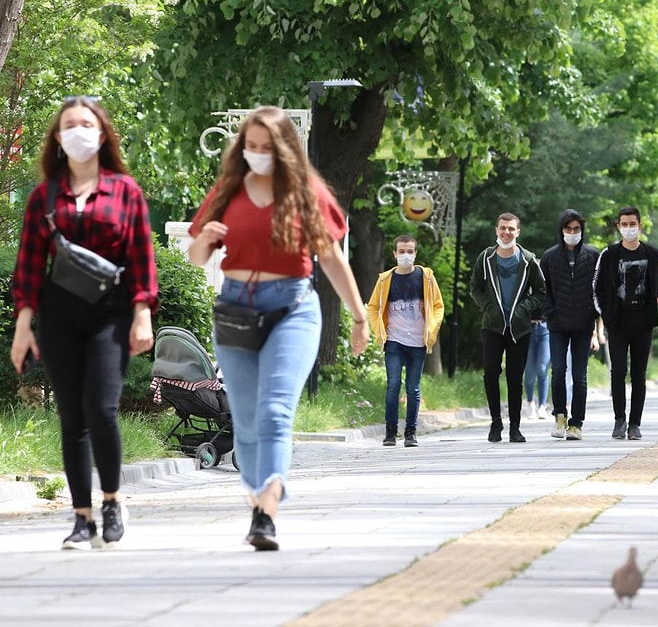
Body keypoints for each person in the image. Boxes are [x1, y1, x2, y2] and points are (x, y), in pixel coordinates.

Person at [188, 106, 368, 551]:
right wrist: (205, 240)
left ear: (286, 149)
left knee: (274, 413)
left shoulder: (306, 193)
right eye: (251, 147)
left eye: (267, 148)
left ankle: (265, 510)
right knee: (245, 421)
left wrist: (360, 317)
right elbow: (195, 256)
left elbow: (330, 259)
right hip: (235, 310)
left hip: (293, 310)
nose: (258, 154)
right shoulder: (228, 190)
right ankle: (258, 495)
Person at [10, 97, 158, 549]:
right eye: (69, 125)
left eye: (86, 124)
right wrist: (23, 327)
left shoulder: (125, 190)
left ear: (102, 133)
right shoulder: (45, 196)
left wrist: (142, 314)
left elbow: (140, 258)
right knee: (71, 416)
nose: (78, 132)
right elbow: (30, 267)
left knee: (101, 407)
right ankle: (81, 517)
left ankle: (112, 501)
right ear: (58, 138)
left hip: (111, 313)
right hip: (60, 314)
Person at [470, 212, 546, 443]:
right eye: (503, 228)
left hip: (520, 328)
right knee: (491, 372)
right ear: (496, 230)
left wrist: (523, 310)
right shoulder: (485, 258)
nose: (506, 232)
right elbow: (475, 288)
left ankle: (515, 427)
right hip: (492, 326)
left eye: (511, 228)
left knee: (515, 377)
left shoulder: (528, 260)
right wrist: (488, 307)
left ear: (518, 232)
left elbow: (541, 292)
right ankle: (496, 423)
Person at [594, 206, 658, 441]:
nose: (628, 229)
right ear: (619, 227)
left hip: (643, 323)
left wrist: (655, 301)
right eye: (624, 224)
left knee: (639, 374)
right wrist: (605, 314)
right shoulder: (608, 255)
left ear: (640, 226)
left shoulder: (653, 254)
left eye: (632, 224)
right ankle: (619, 420)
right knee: (618, 371)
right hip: (617, 323)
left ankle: (635, 423)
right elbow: (597, 288)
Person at [367, 235, 444, 448]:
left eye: (409, 251)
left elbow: (438, 306)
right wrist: (379, 331)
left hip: (418, 341)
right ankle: (390, 432)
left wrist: (432, 329)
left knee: (413, 388)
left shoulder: (426, 277)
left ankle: (411, 432)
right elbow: (373, 307)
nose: (405, 255)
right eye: (401, 251)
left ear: (416, 253)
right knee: (393, 385)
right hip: (393, 340)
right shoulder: (385, 280)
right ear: (394, 253)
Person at [540, 208, 600, 441]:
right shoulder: (550, 257)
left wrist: (594, 314)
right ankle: (560, 416)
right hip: (558, 324)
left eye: (576, 229)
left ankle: (576, 423)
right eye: (568, 229)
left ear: (582, 231)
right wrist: (550, 313)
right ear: (561, 231)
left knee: (579, 375)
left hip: (584, 324)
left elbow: (599, 289)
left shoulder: (593, 256)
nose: (572, 233)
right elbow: (543, 289)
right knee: (558, 372)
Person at [523, 318, 551, 420]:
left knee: (542, 368)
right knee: (529, 372)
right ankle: (530, 403)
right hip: (527, 328)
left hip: (545, 327)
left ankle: (542, 406)